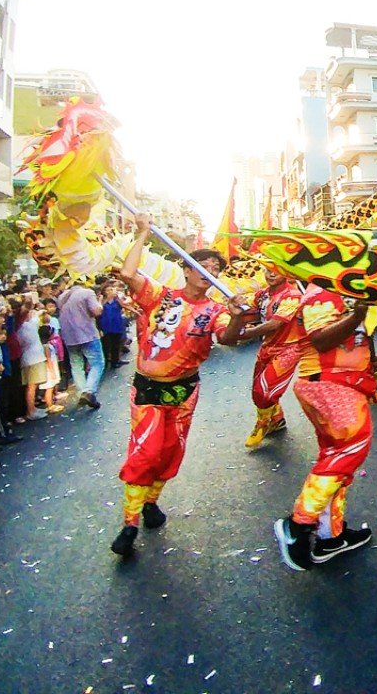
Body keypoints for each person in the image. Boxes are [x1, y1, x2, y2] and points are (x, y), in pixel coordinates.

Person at [111, 215, 247, 558]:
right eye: (201, 264)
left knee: (171, 452)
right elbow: (128, 274)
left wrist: (241, 316)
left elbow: (228, 339)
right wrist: (143, 233)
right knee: (145, 453)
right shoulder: (160, 295)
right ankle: (129, 525)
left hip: (184, 390)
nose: (208, 270)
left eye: (215, 268)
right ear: (186, 269)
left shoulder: (217, 310)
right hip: (148, 388)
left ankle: (151, 503)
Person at [273, 288, 377, 571]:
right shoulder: (321, 291)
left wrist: (373, 365)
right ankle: (298, 525)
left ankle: (330, 537)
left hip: (344, 383)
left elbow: (362, 335)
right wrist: (357, 313)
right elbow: (320, 340)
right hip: (329, 383)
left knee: (336, 461)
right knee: (351, 448)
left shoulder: (347, 286)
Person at [235, 265, 309, 449]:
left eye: (276, 269)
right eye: (267, 269)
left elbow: (274, 324)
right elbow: (247, 311)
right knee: (257, 390)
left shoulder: (292, 296)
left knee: (263, 391)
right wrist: (235, 309)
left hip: (289, 348)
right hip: (268, 346)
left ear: (287, 272)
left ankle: (263, 424)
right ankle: (276, 420)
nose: (271, 273)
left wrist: (245, 333)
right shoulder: (262, 295)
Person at [58, 277, 106, 409]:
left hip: (69, 337)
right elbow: (97, 311)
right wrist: (100, 301)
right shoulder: (87, 293)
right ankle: (89, 391)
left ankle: (82, 392)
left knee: (76, 365)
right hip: (87, 334)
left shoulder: (62, 297)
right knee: (97, 363)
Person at [99, 283, 129, 370]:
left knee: (116, 344)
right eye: (107, 290)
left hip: (117, 325)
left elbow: (125, 305)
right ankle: (105, 363)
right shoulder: (102, 301)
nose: (110, 292)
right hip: (106, 327)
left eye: (111, 290)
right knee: (106, 345)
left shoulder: (117, 300)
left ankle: (115, 361)